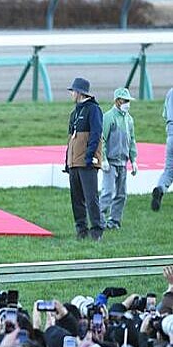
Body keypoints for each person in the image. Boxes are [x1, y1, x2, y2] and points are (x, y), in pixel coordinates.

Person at [65, 77, 104, 241]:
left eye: (73, 91)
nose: (71, 94)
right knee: (76, 199)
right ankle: (81, 230)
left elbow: (96, 134)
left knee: (91, 198)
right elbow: (70, 139)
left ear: (80, 93)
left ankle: (96, 230)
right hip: (74, 163)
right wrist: (67, 161)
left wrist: (89, 157)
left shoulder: (94, 110)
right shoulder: (74, 113)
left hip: (87, 163)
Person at [100, 87, 138, 229]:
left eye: (128, 101)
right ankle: (99, 220)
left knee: (121, 194)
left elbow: (132, 140)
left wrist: (133, 160)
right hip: (110, 162)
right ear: (117, 101)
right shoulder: (108, 117)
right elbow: (102, 139)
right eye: (124, 101)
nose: (127, 104)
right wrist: (103, 158)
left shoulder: (129, 119)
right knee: (108, 192)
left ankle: (114, 221)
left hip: (123, 162)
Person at [151, 87, 173, 211]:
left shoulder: (170, 92)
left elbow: (165, 114)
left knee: (169, 170)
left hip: (171, 135)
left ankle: (160, 188)